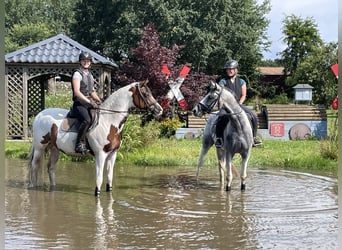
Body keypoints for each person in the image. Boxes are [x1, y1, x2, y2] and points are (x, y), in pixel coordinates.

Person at [215, 59, 262, 147]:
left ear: (236, 70)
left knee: (253, 116)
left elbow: (244, 95)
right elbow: (222, 95)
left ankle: (254, 137)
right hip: (227, 106)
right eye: (228, 69)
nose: (229, 70)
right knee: (220, 117)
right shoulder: (223, 81)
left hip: (239, 105)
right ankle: (219, 138)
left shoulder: (242, 81)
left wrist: (239, 104)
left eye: (231, 69)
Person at [71, 52, 102, 154]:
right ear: (80, 62)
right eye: (84, 60)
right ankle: (78, 144)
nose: (86, 62)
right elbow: (77, 91)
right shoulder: (77, 74)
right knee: (87, 120)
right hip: (79, 104)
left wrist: (99, 100)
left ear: (90, 62)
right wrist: (89, 101)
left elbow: (92, 92)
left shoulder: (90, 75)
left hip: (88, 103)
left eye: (88, 61)